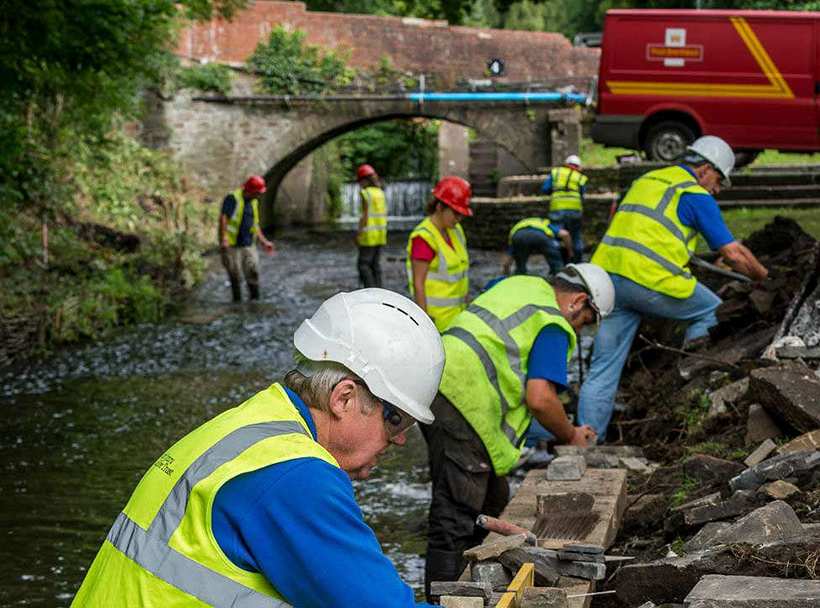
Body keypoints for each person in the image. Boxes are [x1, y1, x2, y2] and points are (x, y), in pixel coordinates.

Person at [70, 288, 446, 608]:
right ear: (343, 398)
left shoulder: (250, 425)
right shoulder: (295, 475)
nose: (399, 439)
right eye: (396, 420)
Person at [421, 264, 615, 593]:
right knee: (454, 519)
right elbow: (540, 399)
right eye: (584, 322)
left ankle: (478, 584)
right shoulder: (553, 323)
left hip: (434, 382)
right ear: (578, 301)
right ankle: (442, 600)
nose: (579, 331)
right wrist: (571, 436)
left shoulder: (521, 285)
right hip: (466, 402)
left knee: (494, 497)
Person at [578, 136, 769, 441]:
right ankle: (687, 386)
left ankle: (585, 444)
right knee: (712, 310)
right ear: (705, 169)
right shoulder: (694, 193)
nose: (716, 189)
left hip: (607, 282)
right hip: (648, 279)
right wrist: (765, 279)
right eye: (718, 180)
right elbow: (733, 254)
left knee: (603, 369)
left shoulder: (647, 179)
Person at [406, 176, 472, 332]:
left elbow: (461, 276)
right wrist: (426, 326)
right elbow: (418, 284)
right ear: (440, 207)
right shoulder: (424, 238)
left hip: (459, 318)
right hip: (438, 324)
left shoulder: (456, 231)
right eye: (455, 213)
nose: (459, 219)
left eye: (461, 214)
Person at [219, 175, 275, 302]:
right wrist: (224, 238)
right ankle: (237, 303)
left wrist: (264, 241)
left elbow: (255, 224)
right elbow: (224, 217)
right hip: (233, 246)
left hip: (249, 244)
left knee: (253, 272)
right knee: (235, 276)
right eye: (257, 192)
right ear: (250, 190)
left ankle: (254, 301)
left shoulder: (254, 202)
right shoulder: (232, 198)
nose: (259, 195)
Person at [542, 154, 589, 262]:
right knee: (576, 236)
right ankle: (578, 262)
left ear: (566, 164)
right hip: (575, 210)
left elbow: (545, 188)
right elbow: (582, 195)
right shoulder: (581, 177)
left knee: (557, 235)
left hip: (557, 209)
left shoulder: (556, 172)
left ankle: (558, 262)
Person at [502, 217, 574, 276]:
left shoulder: (519, 227)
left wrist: (504, 277)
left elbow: (506, 263)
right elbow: (565, 234)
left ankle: (520, 278)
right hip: (540, 236)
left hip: (519, 237)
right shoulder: (544, 223)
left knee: (520, 266)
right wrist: (571, 252)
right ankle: (559, 276)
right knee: (555, 263)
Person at [356, 164, 387, 288]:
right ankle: (379, 290)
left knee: (363, 264)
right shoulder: (380, 192)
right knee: (375, 265)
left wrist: (359, 233)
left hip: (368, 235)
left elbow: (365, 215)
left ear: (364, 180)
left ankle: (369, 291)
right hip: (380, 234)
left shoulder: (365, 193)